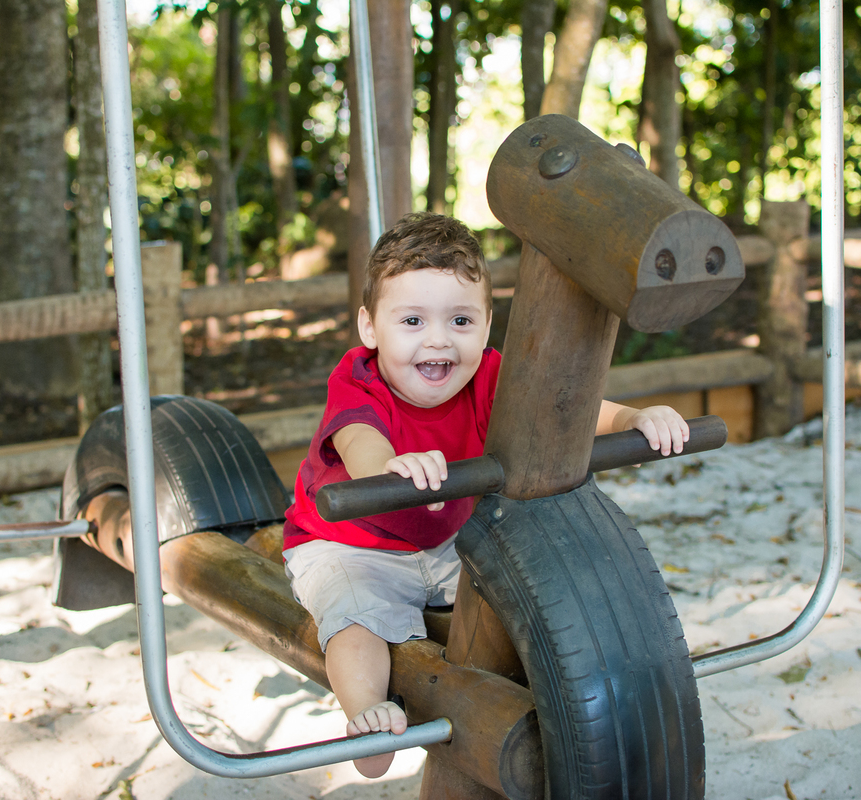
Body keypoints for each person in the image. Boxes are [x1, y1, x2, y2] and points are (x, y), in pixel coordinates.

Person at [283, 212, 689, 778]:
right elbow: (361, 444)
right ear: (370, 328)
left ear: (487, 324)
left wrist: (634, 417)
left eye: (460, 320)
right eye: (412, 320)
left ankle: (574, 694)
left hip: (446, 539)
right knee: (357, 615)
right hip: (353, 544)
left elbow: (565, 414)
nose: (438, 339)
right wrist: (393, 469)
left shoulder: (489, 376)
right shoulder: (357, 382)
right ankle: (367, 718)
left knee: (525, 592)